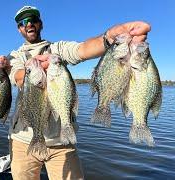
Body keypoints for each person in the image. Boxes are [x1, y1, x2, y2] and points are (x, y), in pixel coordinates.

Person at [8, 6, 151, 180]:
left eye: (33, 20)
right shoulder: (16, 56)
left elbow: (84, 49)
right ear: (19, 28)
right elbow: (18, 77)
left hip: (62, 141)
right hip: (23, 141)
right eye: (23, 22)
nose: (29, 24)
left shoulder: (57, 49)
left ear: (40, 24)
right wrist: (33, 69)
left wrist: (109, 37)